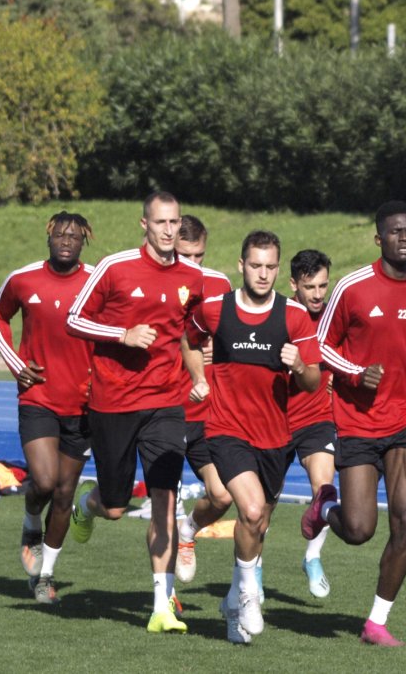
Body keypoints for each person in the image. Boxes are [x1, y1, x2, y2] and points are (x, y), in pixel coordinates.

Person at [300, 201, 406, 647]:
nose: (405, 237)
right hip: (359, 422)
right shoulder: (353, 287)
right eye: (395, 232)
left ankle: (376, 622)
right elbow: (319, 347)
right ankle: (324, 509)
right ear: (379, 238)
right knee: (360, 529)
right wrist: (353, 372)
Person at [65, 191, 204, 633]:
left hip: (166, 402)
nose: (168, 231)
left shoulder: (191, 277)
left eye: (174, 223)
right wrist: (122, 334)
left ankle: (161, 606)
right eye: (160, 223)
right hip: (113, 403)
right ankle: (87, 504)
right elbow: (74, 318)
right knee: (114, 507)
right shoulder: (115, 267)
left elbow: (191, 333)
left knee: (164, 502)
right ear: (144, 224)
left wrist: (200, 369)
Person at [184, 230, 321, 644]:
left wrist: (299, 365)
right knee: (252, 506)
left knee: (256, 523)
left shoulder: (293, 316)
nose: (263, 274)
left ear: (279, 270)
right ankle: (248, 593)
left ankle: (230, 604)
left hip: (274, 439)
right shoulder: (215, 309)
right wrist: (198, 377)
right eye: (255, 265)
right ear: (241, 266)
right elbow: (188, 338)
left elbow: (313, 382)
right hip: (226, 431)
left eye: (270, 267)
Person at [0, 211, 96, 605]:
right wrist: (17, 365)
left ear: (84, 240)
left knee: (65, 495)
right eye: (60, 234)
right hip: (38, 398)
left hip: (84, 405)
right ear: (48, 238)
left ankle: (46, 576)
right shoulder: (24, 278)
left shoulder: (97, 281)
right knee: (45, 482)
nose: (66, 240)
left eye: (74, 235)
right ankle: (31, 521)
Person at [173, 215, 234, 587]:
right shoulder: (157, 284)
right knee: (115, 503)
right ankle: (163, 600)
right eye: (185, 256)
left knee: (223, 495)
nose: (193, 265)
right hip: (163, 410)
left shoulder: (220, 284)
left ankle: (188, 530)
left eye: (200, 256)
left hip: (206, 414)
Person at [287, 249, 337, 598]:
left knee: (325, 492)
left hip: (318, 418)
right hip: (274, 420)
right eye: (310, 287)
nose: (318, 294)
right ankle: (251, 574)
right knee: (259, 509)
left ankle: (313, 556)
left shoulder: (335, 317)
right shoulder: (278, 315)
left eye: (323, 285)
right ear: (294, 285)